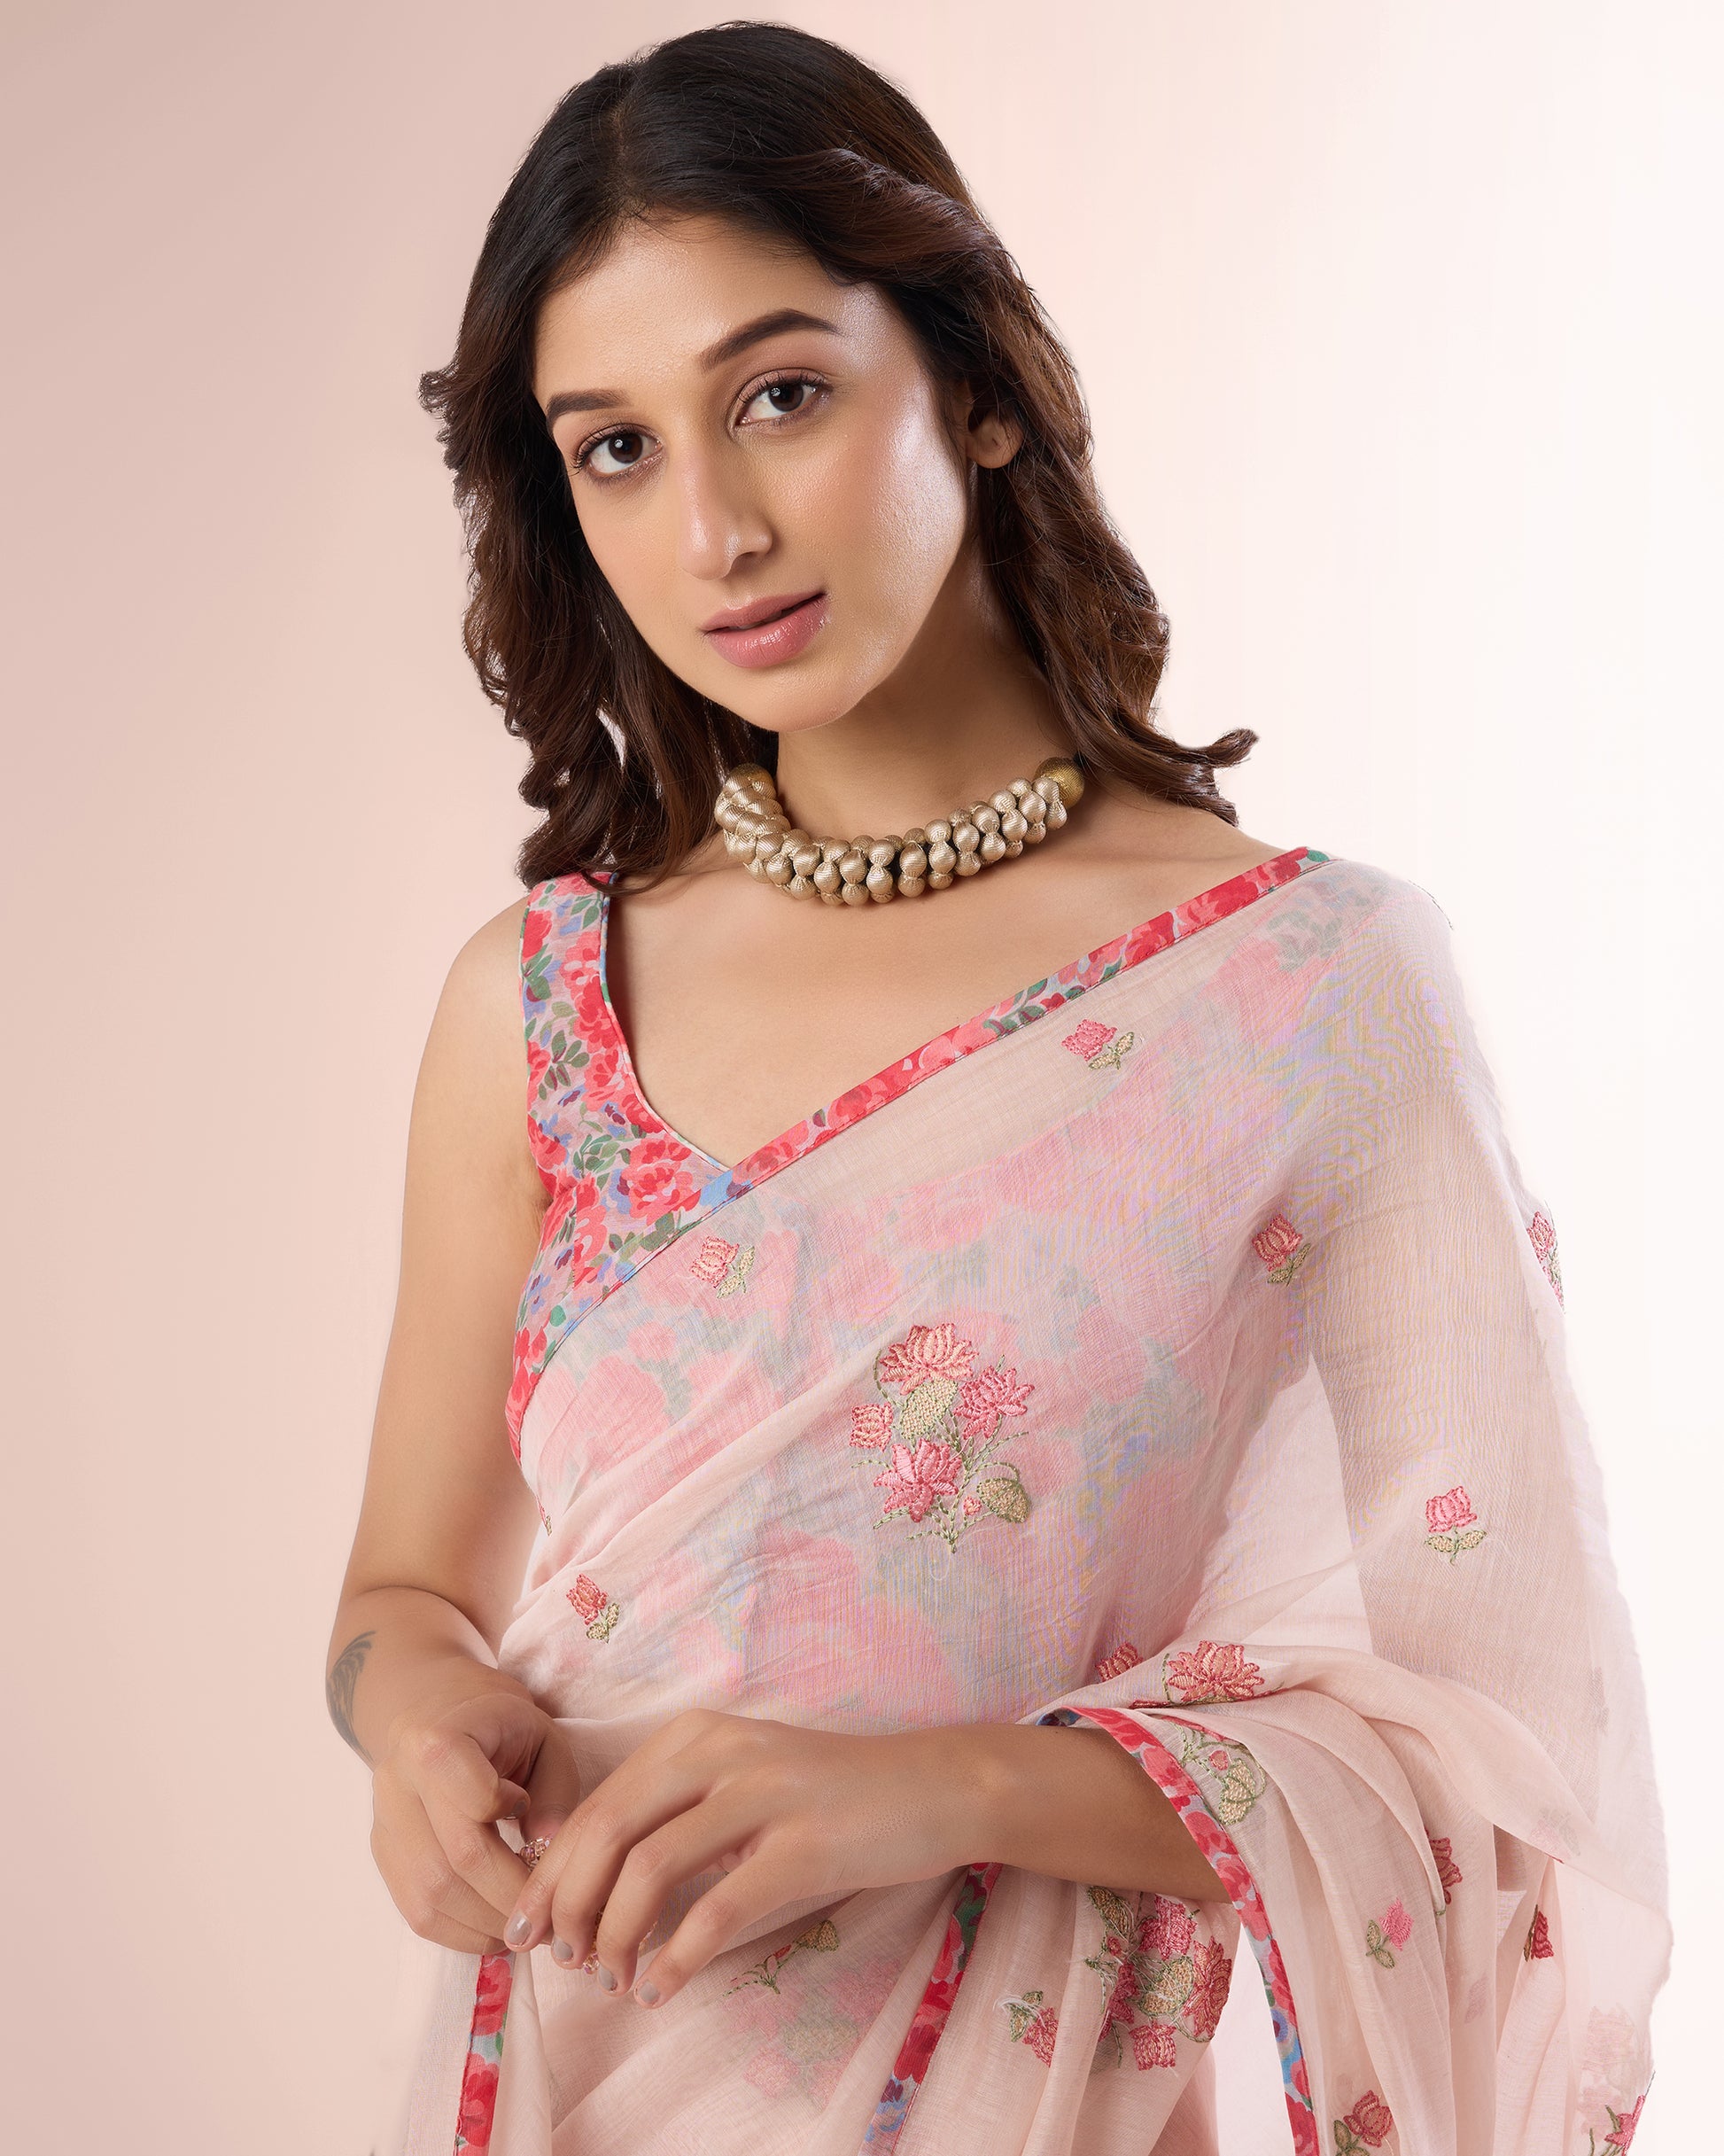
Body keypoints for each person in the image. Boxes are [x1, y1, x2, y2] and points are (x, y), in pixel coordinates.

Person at [327, 23, 1669, 2154]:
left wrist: (934, 1786)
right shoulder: (542, 1000)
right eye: (616, 448)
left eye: (780, 393)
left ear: (971, 380)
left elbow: (1491, 1742)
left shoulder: (1311, 984)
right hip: (580, 2064)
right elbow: (402, 1597)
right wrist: (418, 1720)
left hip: (1029, 2095)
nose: (715, 527)